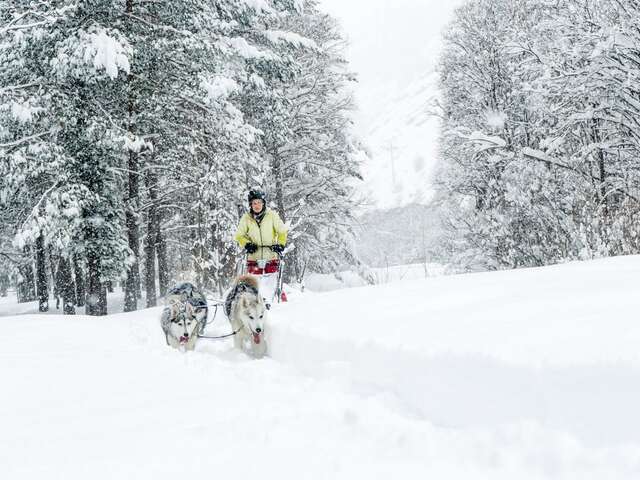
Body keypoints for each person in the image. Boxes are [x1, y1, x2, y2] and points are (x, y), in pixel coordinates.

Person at [234, 188, 288, 306]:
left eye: (259, 202)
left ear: (263, 203)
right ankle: (256, 304)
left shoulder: (272, 216)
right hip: (253, 257)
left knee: (270, 283)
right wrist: (247, 244)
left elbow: (282, 231)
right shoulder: (246, 218)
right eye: (254, 203)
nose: (257, 205)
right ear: (250, 205)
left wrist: (280, 244)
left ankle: (269, 302)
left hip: (271, 255)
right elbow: (239, 235)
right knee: (254, 284)